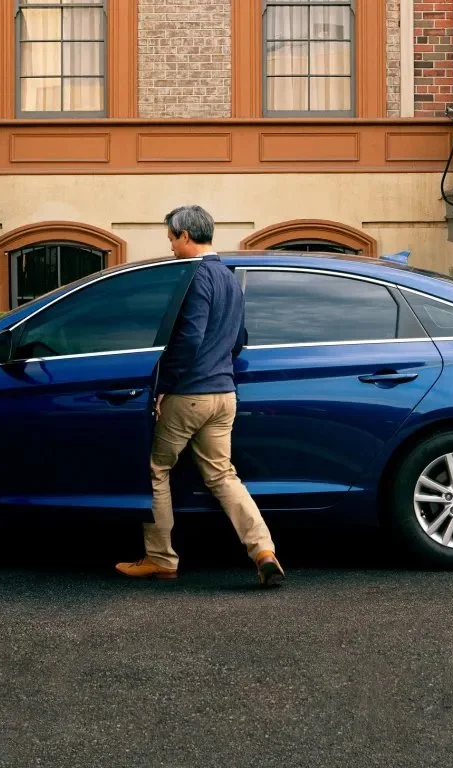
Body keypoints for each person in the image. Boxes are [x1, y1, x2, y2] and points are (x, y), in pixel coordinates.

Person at [115, 205, 285, 587]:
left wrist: (164, 387)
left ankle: (160, 558)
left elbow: (190, 338)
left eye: (172, 239)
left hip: (190, 393)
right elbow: (238, 340)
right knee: (223, 475)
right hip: (225, 394)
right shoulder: (229, 278)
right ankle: (263, 549)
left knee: (155, 470)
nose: (172, 247)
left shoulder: (195, 278)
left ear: (186, 236)